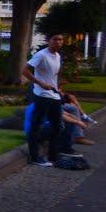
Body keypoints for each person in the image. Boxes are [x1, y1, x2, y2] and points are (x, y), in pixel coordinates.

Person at [22, 32, 65, 166]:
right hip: (42, 95)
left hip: (54, 95)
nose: (58, 42)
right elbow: (25, 71)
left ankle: (53, 155)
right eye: (55, 39)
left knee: (57, 126)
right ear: (48, 40)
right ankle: (35, 157)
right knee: (37, 126)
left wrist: (57, 87)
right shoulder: (41, 55)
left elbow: (54, 75)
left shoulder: (57, 56)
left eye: (61, 40)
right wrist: (40, 83)